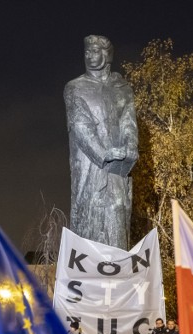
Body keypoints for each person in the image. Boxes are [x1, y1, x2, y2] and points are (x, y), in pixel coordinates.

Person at [64, 35, 138, 250]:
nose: (89, 56)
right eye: (86, 52)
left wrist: (130, 147)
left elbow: (128, 121)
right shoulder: (75, 87)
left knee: (118, 212)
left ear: (106, 55)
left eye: (95, 51)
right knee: (89, 215)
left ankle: (117, 270)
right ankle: (90, 273)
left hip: (118, 168)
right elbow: (79, 125)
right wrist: (104, 154)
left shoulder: (122, 88)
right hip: (90, 167)